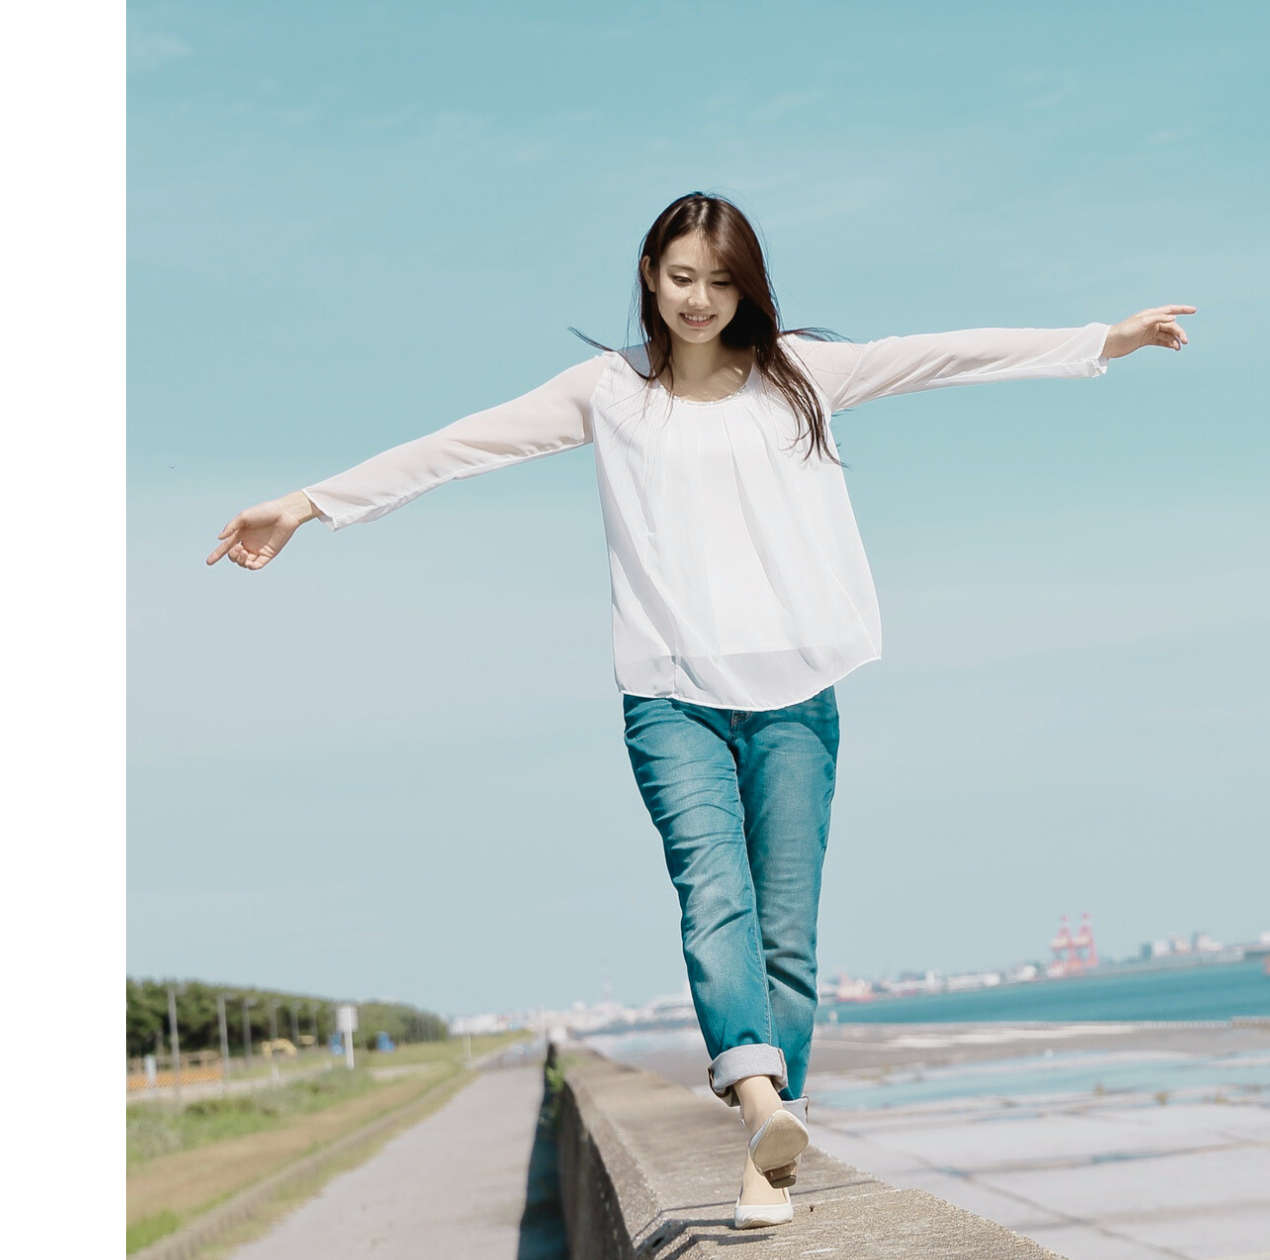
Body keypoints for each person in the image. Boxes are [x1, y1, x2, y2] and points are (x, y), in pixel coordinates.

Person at [208, 191, 1192, 1229]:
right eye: (682, 278)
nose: (700, 299)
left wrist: (1102, 340)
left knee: (787, 936)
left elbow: (945, 354)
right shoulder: (609, 394)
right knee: (713, 897)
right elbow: (462, 444)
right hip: (671, 697)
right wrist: (310, 504)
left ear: (746, 288)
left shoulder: (799, 375)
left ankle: (770, 1156)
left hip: (796, 697)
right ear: (648, 275)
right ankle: (760, 1098)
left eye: (721, 282)